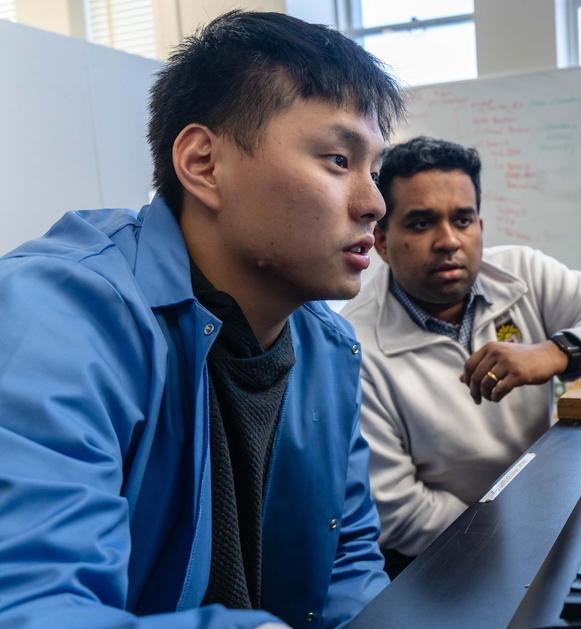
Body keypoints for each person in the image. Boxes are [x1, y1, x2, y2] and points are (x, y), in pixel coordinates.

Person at [0, 11, 404, 627]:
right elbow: (35, 609)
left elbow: (348, 567)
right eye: (336, 159)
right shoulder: (61, 313)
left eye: (374, 170)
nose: (375, 203)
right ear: (203, 164)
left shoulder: (328, 348)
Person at [340, 136, 581, 570]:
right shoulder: (354, 344)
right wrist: (517, 542)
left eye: (462, 220)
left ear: (480, 226)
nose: (448, 241)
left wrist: (557, 353)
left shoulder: (520, 273)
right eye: (421, 224)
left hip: (556, 507)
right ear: (381, 241)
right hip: (457, 558)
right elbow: (400, 511)